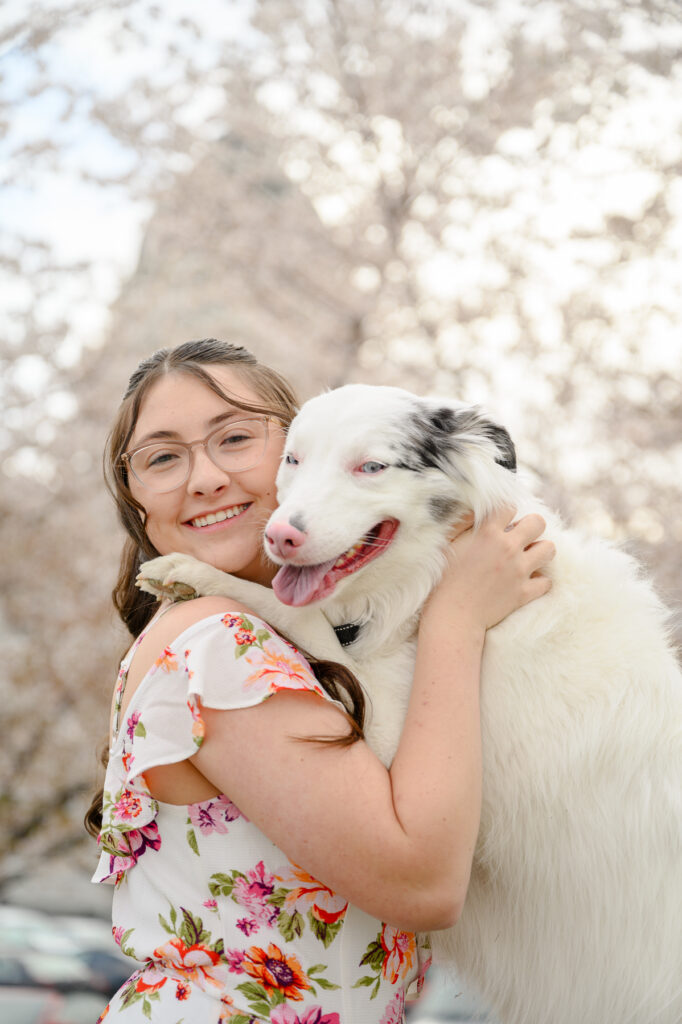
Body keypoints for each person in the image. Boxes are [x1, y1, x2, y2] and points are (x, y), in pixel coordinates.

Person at [87, 338, 554, 1024]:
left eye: (236, 438)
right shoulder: (218, 644)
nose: (206, 478)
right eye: (162, 457)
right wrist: (458, 618)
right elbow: (422, 882)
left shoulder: (287, 633)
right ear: (137, 496)